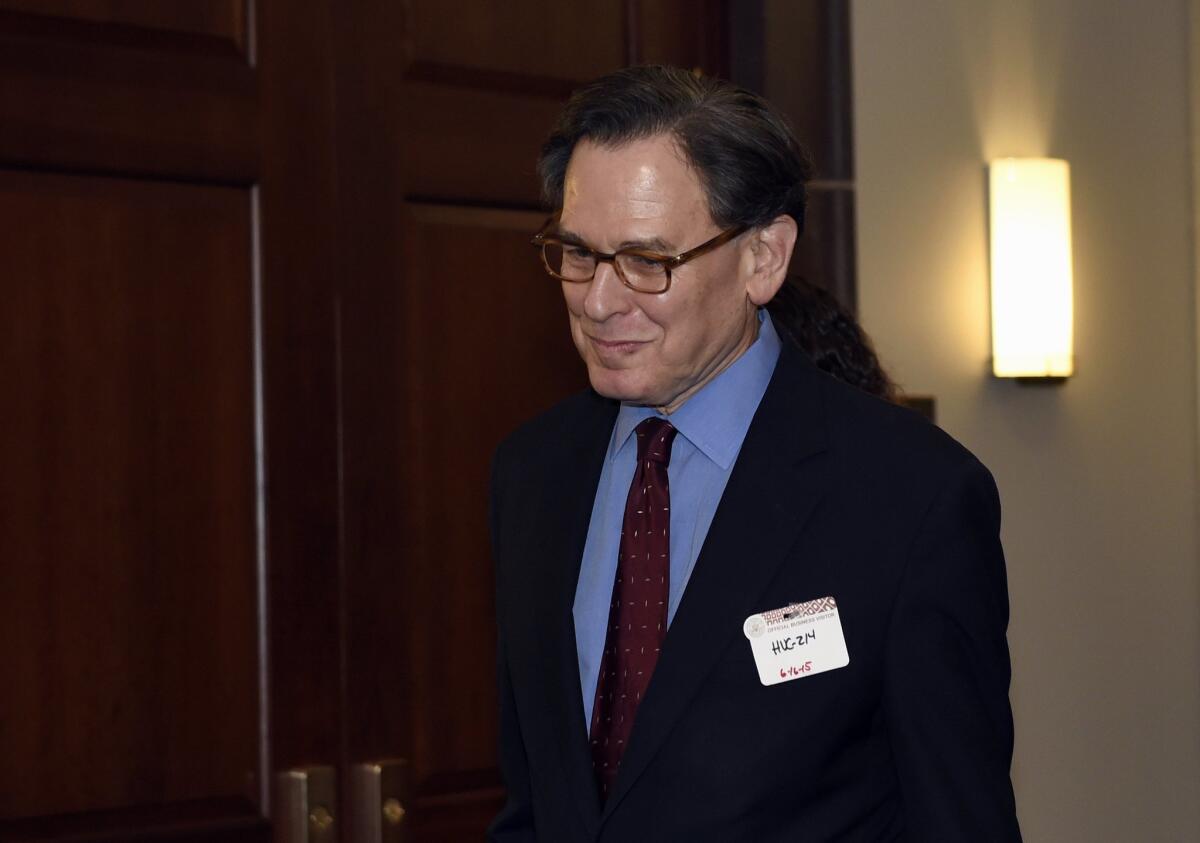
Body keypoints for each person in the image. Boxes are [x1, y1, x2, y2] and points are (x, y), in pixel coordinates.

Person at [488, 65, 1021, 842]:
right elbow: (536, 805)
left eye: (647, 261)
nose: (598, 300)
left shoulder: (911, 498)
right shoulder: (530, 474)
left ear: (763, 258)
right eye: (576, 253)